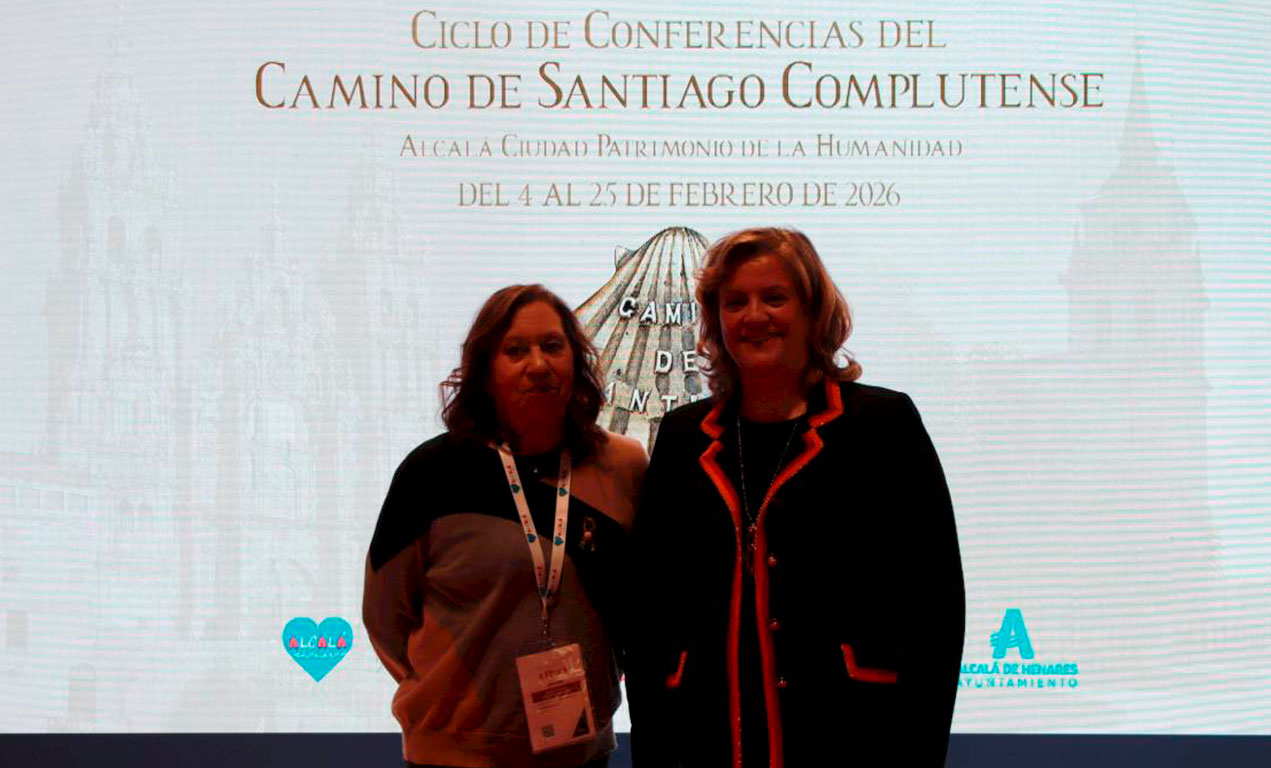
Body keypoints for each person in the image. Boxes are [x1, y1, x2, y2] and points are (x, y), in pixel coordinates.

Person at [626, 228, 965, 768]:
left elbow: (936, 604)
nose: (754, 316)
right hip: (707, 739)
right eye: (734, 302)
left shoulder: (883, 425)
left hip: (853, 737)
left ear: (813, 312)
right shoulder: (682, 436)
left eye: (774, 298)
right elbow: (650, 613)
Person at [364, 284, 648, 768]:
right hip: (452, 757)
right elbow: (385, 616)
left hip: (579, 753)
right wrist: (455, 702)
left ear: (576, 361)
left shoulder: (623, 465)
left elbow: (640, 607)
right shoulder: (431, 473)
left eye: (552, 346)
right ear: (485, 370)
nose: (537, 365)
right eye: (515, 350)